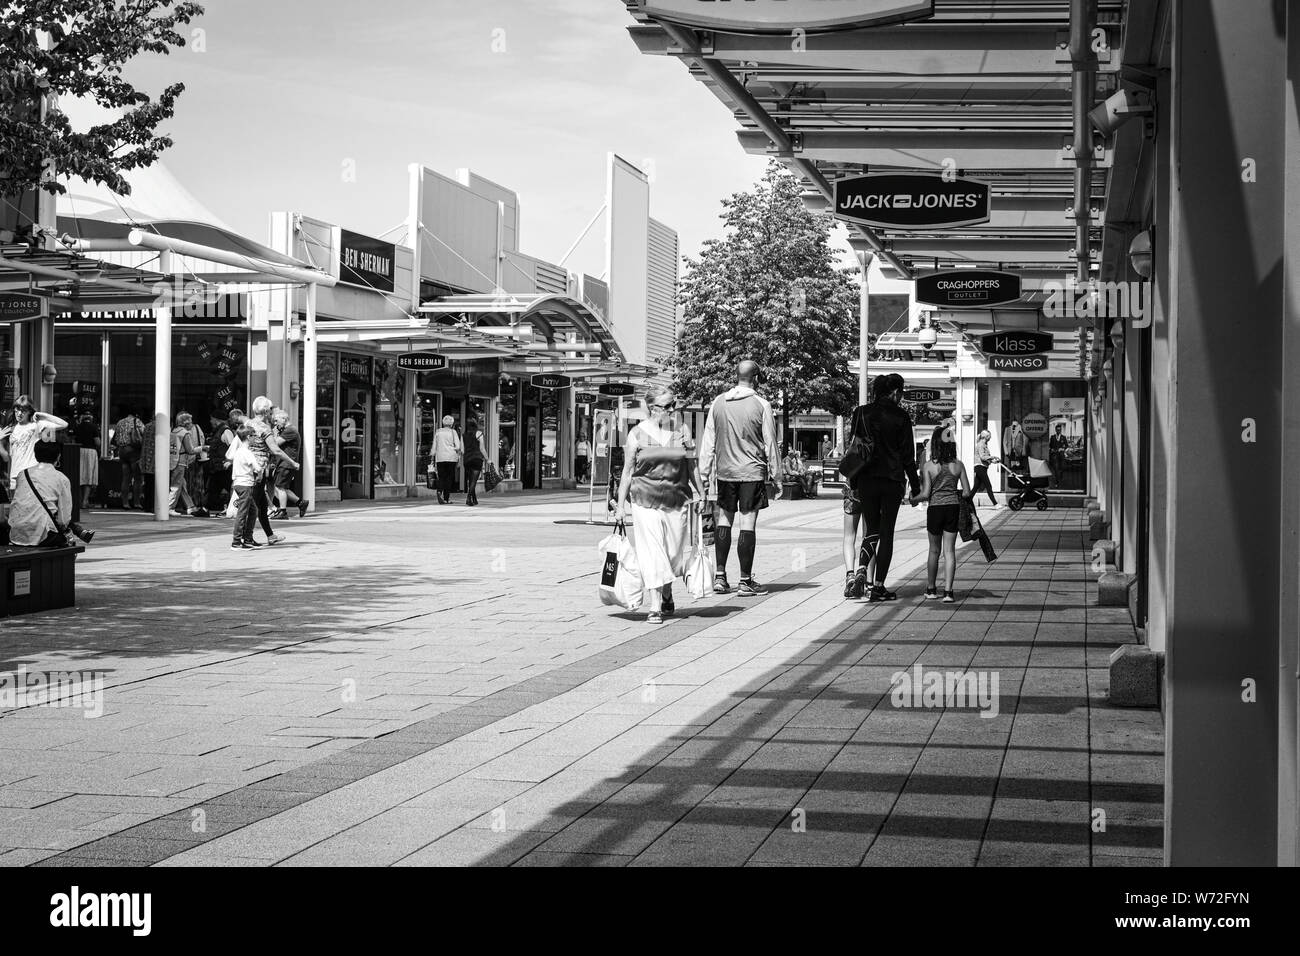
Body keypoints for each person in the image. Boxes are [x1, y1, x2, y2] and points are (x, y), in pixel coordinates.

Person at [613, 386, 701, 625]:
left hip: (677, 499)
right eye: (667, 406)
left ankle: (667, 590)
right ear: (652, 408)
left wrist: (702, 494)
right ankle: (655, 605)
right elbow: (628, 473)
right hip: (644, 499)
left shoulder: (682, 430)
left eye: (674, 405)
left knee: (672, 554)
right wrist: (621, 507)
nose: (672, 410)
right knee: (653, 552)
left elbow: (691, 466)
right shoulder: (636, 435)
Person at [698, 360, 783, 597]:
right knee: (747, 524)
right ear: (755, 378)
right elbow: (770, 443)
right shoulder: (761, 404)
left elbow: (708, 442)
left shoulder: (718, 402)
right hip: (751, 473)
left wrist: (704, 475)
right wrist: (777, 477)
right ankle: (745, 580)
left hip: (725, 473)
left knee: (723, 520)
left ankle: (720, 577)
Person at [847, 373, 921, 601]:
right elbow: (908, 456)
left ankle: (861, 569)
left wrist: (853, 480)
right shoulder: (901, 416)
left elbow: (854, 447)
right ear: (896, 392)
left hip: (866, 479)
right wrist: (915, 487)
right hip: (892, 480)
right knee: (887, 532)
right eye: (901, 394)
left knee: (871, 530)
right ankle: (877, 586)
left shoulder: (861, 413)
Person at [912, 423, 972, 603]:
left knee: (933, 551)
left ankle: (931, 589)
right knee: (950, 552)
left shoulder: (929, 466)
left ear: (936, 444)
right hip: (953, 507)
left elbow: (925, 494)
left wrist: (913, 500)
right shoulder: (958, 465)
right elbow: (967, 492)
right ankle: (948, 592)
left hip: (935, 509)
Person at [1, 397, 69, 539]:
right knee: (17, 509)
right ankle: (21, 536)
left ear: (29, 411)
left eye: (23, 410)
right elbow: (6, 456)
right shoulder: (12, 428)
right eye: (17, 409)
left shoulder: (37, 425)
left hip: (31, 474)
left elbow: (64, 424)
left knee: (32, 507)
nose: (19, 413)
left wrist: (42, 415)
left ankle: (35, 536)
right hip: (15, 475)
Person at [5, 440, 88, 547]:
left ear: (35, 455)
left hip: (17, 533)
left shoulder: (23, 474)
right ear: (58, 456)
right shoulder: (61, 479)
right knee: (68, 539)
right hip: (43, 535)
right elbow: (64, 520)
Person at [242, 397, 284, 544]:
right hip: (259, 470)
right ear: (266, 411)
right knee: (253, 506)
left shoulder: (248, 424)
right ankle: (246, 537)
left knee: (262, 504)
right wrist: (292, 461)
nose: (271, 412)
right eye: (270, 410)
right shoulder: (265, 428)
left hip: (248, 467)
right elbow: (275, 449)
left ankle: (270, 536)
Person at [227, 421, 264, 550]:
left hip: (238, 483)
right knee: (242, 513)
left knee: (253, 511)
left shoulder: (238, 452)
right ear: (248, 437)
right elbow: (257, 468)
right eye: (254, 435)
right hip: (245, 484)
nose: (255, 438)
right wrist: (260, 473)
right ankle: (236, 541)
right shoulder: (247, 452)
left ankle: (247, 538)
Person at [268, 407, 308, 518]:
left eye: (277, 421)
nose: (275, 423)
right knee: (282, 488)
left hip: (286, 463)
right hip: (285, 463)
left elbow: (274, 444)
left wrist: (274, 432)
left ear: (284, 419)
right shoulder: (288, 430)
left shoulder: (290, 430)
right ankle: (301, 503)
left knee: (279, 487)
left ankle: (283, 512)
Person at [112, 404, 144, 509]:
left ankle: (125, 503)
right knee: (137, 478)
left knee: (126, 478)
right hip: (133, 451)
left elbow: (115, 438)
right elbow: (144, 433)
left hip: (122, 451)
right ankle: (136, 502)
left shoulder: (120, 422)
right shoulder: (137, 422)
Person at [168, 412, 199, 516]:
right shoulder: (185, 433)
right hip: (181, 461)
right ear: (186, 423)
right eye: (190, 422)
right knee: (176, 485)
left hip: (172, 460)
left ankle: (190, 506)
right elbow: (190, 450)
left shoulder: (174, 431)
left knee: (182, 484)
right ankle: (169, 507)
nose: (192, 424)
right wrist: (203, 448)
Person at [205, 413, 234, 516]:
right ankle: (205, 508)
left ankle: (230, 509)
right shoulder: (218, 431)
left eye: (211, 419)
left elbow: (233, 447)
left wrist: (229, 461)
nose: (210, 422)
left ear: (216, 419)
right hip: (216, 467)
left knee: (228, 487)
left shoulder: (226, 431)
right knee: (211, 488)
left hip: (223, 466)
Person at [72, 412, 101, 510]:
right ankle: (85, 501)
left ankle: (80, 501)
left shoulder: (77, 427)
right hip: (90, 452)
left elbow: (73, 440)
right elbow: (97, 442)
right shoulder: (94, 427)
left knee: (80, 477)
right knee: (88, 477)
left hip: (78, 451)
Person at [432, 415, 463, 504]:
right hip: (451, 457)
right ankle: (446, 498)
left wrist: (433, 455)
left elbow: (434, 446)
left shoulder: (438, 432)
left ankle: (439, 491)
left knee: (441, 477)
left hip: (440, 457)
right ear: (452, 424)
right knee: (449, 478)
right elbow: (457, 446)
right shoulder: (453, 432)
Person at [463, 417, 485, 506]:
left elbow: (462, 450)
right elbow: (482, 448)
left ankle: (474, 499)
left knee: (471, 480)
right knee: (473, 481)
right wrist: (487, 459)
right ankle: (468, 498)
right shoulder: (479, 433)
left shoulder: (463, 435)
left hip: (467, 459)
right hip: (477, 458)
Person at [972, 429, 998, 506]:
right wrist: (992, 457)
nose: (990, 438)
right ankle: (995, 504)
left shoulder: (984, 445)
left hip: (982, 467)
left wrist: (993, 461)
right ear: (986, 437)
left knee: (975, 487)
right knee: (988, 486)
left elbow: (985, 458)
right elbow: (983, 457)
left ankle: (967, 501)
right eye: (990, 436)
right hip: (980, 467)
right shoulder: (981, 445)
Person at [140, 411, 156, 512]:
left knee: (148, 482)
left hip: (147, 457)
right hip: (156, 459)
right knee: (155, 483)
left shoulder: (147, 426)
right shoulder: (161, 427)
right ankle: (153, 505)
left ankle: (147, 504)